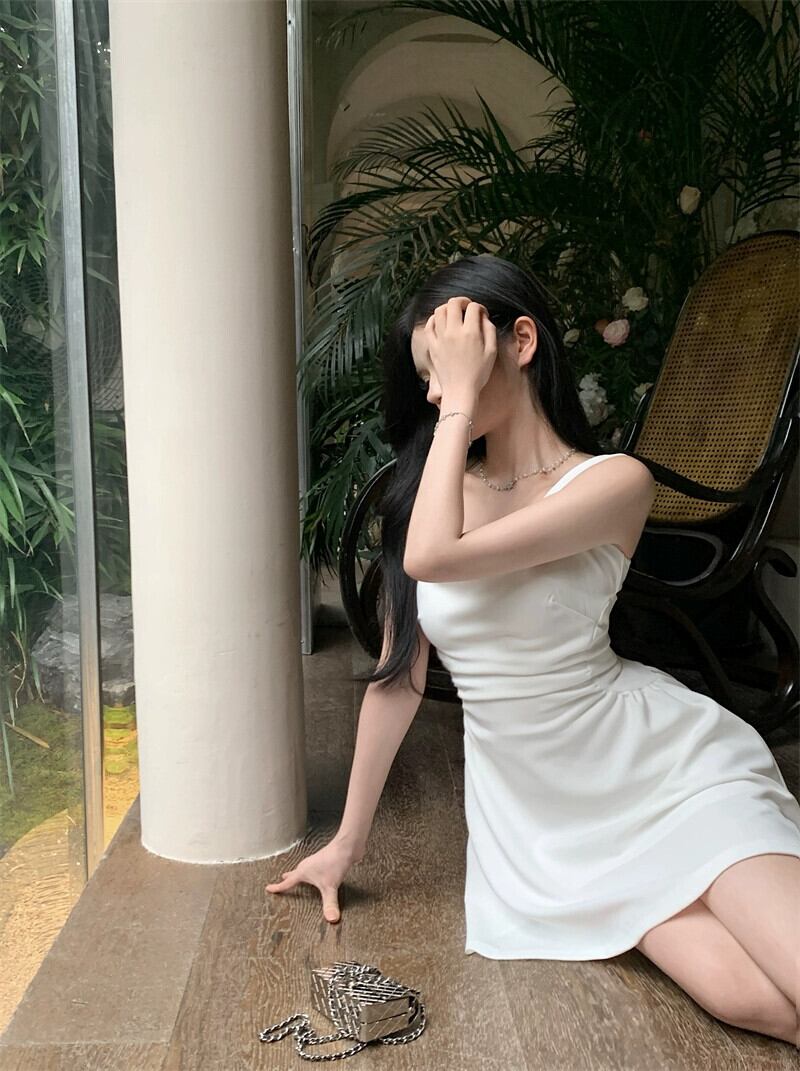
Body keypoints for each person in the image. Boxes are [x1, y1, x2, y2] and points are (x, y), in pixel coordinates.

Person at [266, 255, 800, 1046]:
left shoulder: (613, 483)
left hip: (662, 771)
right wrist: (346, 843)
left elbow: (436, 558)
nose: (437, 394)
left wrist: (455, 408)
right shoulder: (431, 501)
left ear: (520, 342)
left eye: (450, 364)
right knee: (744, 997)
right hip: (540, 824)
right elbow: (397, 679)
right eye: (428, 378)